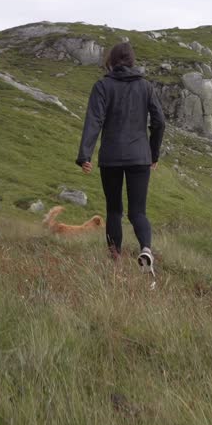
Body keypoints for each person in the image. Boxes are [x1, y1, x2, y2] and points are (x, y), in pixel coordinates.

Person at [75, 41, 166, 267]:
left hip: (111, 157)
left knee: (114, 209)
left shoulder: (102, 86)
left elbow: (94, 121)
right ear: (132, 60)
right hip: (139, 157)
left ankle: (115, 258)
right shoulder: (146, 86)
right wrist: (153, 154)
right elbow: (159, 122)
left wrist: (85, 155)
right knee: (138, 212)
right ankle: (146, 249)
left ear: (111, 61)